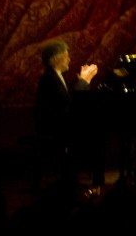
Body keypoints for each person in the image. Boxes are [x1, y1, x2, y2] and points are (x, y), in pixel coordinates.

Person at [33, 39, 99, 184]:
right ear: (56, 58)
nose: (69, 59)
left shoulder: (56, 77)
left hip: (60, 125)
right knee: (94, 134)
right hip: (54, 128)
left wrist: (83, 82)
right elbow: (69, 102)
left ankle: (75, 176)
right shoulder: (49, 78)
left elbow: (70, 100)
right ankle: (76, 178)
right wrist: (84, 81)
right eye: (66, 55)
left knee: (93, 131)